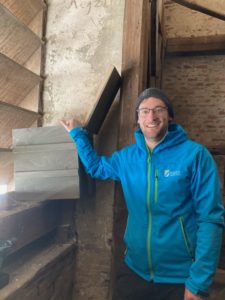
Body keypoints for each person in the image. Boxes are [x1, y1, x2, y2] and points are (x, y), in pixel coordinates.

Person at [61, 88, 224, 300]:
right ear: (137, 119)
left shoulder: (195, 156)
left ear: (169, 115)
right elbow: (96, 167)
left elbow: (210, 219)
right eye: (144, 111)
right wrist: (78, 135)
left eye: (158, 109)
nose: (151, 116)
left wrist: (198, 283)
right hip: (134, 271)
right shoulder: (126, 158)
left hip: (179, 278)